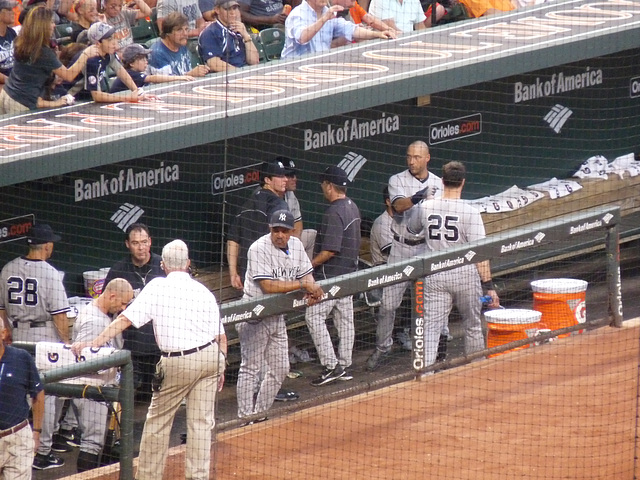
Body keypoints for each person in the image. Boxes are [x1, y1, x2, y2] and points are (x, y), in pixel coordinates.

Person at [71, 239, 227, 480]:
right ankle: (198, 477)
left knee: (158, 424)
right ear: (187, 264)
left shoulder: (156, 286)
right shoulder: (202, 290)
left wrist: (93, 343)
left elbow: (124, 320)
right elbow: (221, 337)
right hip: (211, 359)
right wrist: (222, 365)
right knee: (201, 424)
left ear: (163, 265)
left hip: (179, 362)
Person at [406, 161, 500, 367]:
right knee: (473, 326)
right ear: (463, 182)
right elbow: (480, 254)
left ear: (442, 181)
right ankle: (477, 367)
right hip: (464, 274)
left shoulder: (427, 206)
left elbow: (411, 230)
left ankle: (424, 374)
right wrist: (489, 286)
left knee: (430, 330)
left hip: (435, 273)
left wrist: (426, 202)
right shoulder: (470, 212)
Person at [236, 210, 323, 422]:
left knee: (281, 367)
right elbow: (267, 286)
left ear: (291, 231)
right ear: (270, 228)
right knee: (250, 368)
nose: (280, 235)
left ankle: (260, 414)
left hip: (276, 316)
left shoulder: (296, 246)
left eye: (284, 231)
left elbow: (305, 273)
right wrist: (303, 285)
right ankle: (245, 418)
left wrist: (311, 287)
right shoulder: (258, 248)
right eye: (276, 230)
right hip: (255, 314)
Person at [366, 141, 443, 371]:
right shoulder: (397, 180)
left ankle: (435, 345)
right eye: (409, 157)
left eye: (417, 157)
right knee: (388, 305)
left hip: (425, 248)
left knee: (432, 301)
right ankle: (383, 347)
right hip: (400, 249)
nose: (411, 161)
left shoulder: (438, 182)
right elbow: (399, 206)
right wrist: (419, 196)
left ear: (427, 158)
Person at [0, 223, 71, 471]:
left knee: (18, 388)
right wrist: (66, 343)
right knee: (45, 392)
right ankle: (43, 450)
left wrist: (7, 330)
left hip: (16, 334)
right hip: (44, 336)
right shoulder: (50, 273)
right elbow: (61, 316)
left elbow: (0, 309)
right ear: (48, 246)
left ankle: (29, 443)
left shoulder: (7, 268)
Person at [305, 166, 361, 386]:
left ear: (329, 185)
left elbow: (330, 250)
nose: (322, 188)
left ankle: (331, 366)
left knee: (313, 317)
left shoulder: (333, 212)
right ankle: (344, 365)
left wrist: (310, 265)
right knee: (345, 320)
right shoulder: (352, 206)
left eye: (323, 184)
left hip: (331, 277)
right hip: (348, 275)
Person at [70, 278, 133, 472]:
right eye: (122, 303)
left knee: (97, 440)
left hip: (99, 387)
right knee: (92, 442)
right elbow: (84, 363)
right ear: (112, 295)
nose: (123, 308)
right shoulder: (95, 322)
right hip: (91, 387)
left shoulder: (99, 313)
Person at [103, 223, 165, 400]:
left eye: (144, 242)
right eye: (136, 243)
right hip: (132, 347)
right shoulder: (119, 270)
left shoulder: (162, 266)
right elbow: (106, 306)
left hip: (160, 345)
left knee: (159, 395)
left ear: (150, 242)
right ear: (127, 244)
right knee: (126, 395)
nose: (141, 247)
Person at [0, 6, 97, 114]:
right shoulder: (43, 51)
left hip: (6, 95)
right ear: (42, 26)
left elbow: (32, 73)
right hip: (20, 103)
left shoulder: (22, 41)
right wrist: (85, 54)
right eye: (51, 22)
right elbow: (69, 75)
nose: (54, 25)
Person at [227, 159, 289, 291]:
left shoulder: (247, 204)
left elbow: (233, 240)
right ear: (267, 180)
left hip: (249, 275)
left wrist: (233, 273)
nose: (285, 179)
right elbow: (281, 238)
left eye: (285, 175)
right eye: (280, 176)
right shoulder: (279, 204)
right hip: (272, 273)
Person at [0, 322, 46, 479]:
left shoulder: (21, 358)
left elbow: (38, 395)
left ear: (3, 333)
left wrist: (37, 432)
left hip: (18, 437)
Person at [281, 0, 394, 59]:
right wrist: (324, 19)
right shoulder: (297, 14)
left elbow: (352, 30)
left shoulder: (328, 11)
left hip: (319, 66)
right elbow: (302, 38)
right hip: (294, 69)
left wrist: (378, 34)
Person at [68, 22, 148, 102]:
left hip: (85, 99)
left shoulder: (108, 52)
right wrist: (128, 98)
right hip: (71, 98)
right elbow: (97, 96)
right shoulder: (92, 60)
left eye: (114, 37)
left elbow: (121, 72)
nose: (114, 43)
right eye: (109, 39)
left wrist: (137, 92)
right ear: (98, 43)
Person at [197, 0, 259, 72]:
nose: (233, 13)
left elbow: (254, 61)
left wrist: (246, 36)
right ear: (217, 10)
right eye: (228, 9)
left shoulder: (239, 29)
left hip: (245, 71)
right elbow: (214, 64)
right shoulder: (210, 32)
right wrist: (240, 72)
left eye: (235, 8)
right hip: (226, 77)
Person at [109, 43, 194, 92]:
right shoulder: (130, 73)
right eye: (142, 59)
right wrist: (179, 78)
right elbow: (153, 78)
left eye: (146, 58)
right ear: (131, 63)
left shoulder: (134, 71)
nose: (146, 61)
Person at [148, 11, 210, 76]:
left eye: (186, 29)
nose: (185, 34)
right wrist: (191, 74)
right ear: (168, 33)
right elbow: (165, 83)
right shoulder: (157, 52)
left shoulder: (181, 45)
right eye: (179, 30)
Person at [283, 157, 316, 259]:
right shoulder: (267, 198)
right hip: (272, 244)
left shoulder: (290, 195)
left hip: (290, 240)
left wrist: (293, 245)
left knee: (311, 234)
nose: (295, 179)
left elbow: (298, 223)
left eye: (295, 175)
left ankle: (306, 272)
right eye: (290, 176)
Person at [368, 0, 442, 31]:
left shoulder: (414, 0)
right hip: (387, 43)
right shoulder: (380, 0)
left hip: (408, 42)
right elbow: (392, 30)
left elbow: (420, 27)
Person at [369, 186, 393, 267]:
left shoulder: (402, 220)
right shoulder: (381, 223)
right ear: (388, 202)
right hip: (382, 274)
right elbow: (393, 252)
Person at [0, 0, 17, 87]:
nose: (13, 12)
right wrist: (10, 81)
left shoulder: (12, 33)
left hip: (14, 80)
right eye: (9, 10)